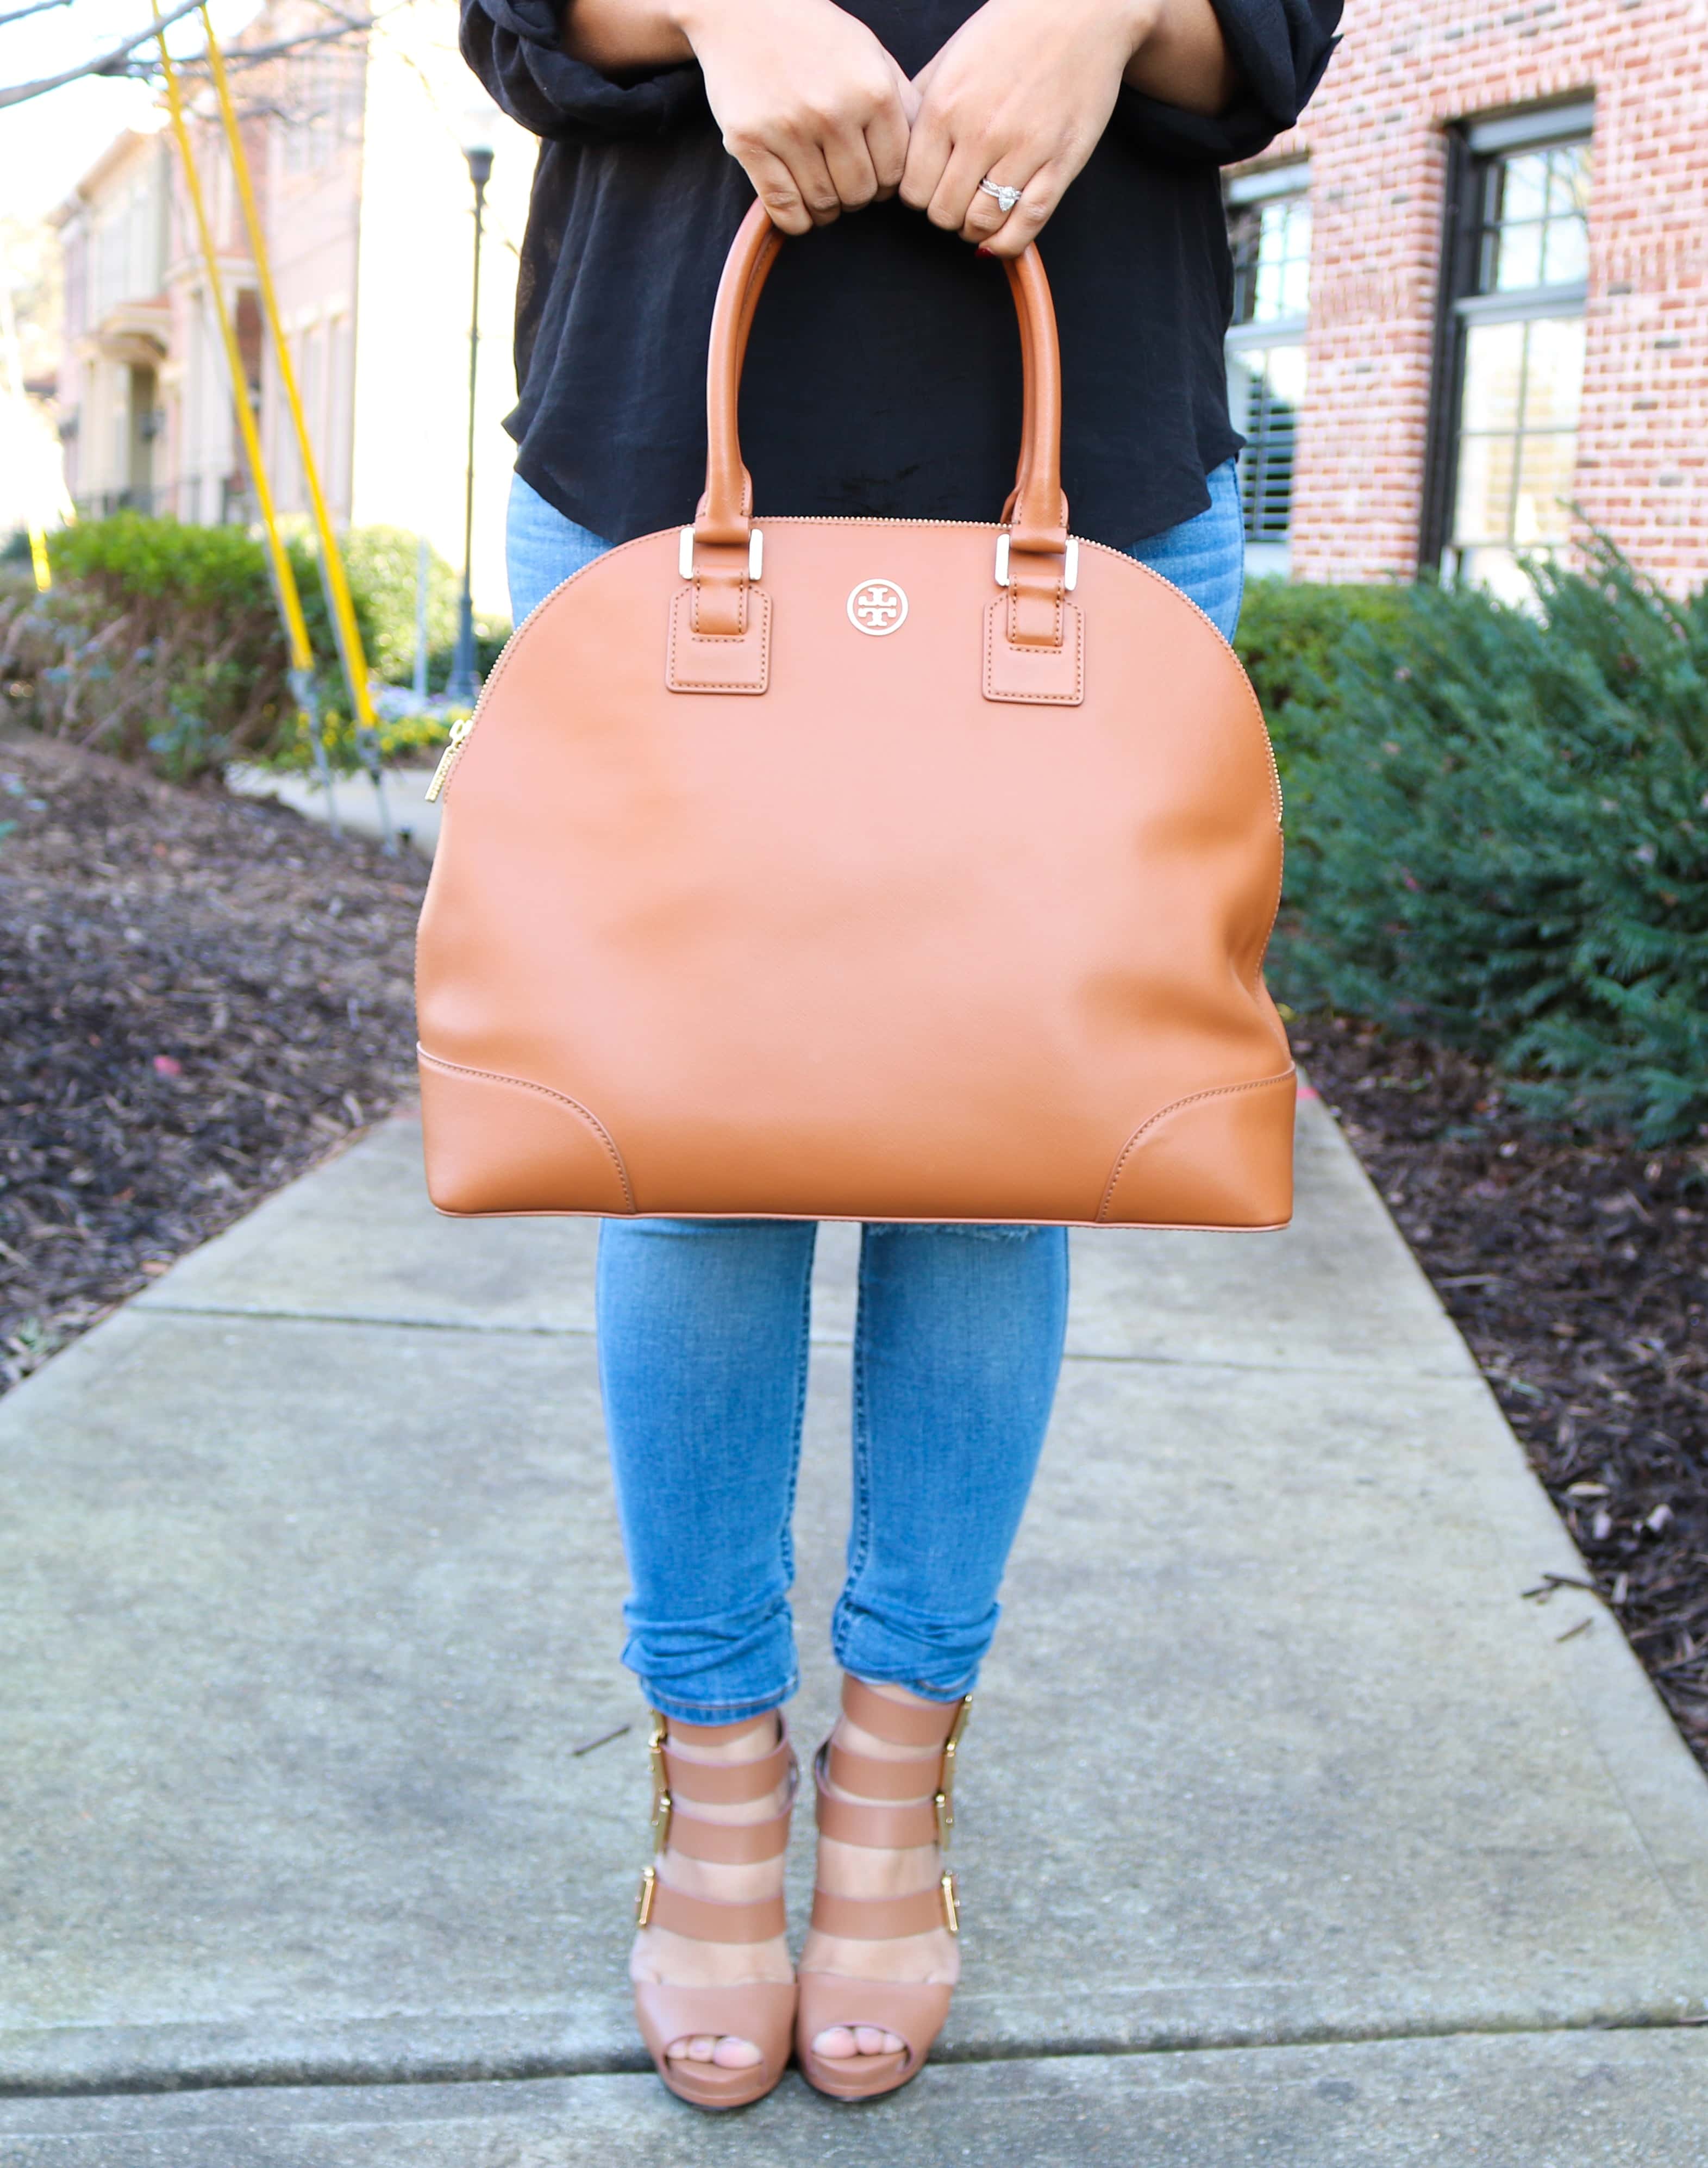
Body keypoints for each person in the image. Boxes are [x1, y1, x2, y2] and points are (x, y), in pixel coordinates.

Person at [461, 0, 1340, 2111]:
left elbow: (1281, 40)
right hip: (670, 452)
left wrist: (1101, 10)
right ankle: (720, 1781)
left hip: (1086, 474)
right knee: (685, 1156)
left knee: (999, 1158)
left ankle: (892, 1786)